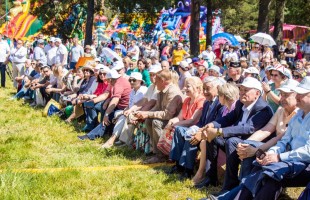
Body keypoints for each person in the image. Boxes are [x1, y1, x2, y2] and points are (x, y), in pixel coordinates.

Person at [236, 76, 310, 200]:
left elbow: (308, 152)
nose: (297, 97)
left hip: (304, 164)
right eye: (297, 93)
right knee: (261, 167)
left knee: (273, 173)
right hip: (291, 160)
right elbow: (284, 141)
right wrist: (270, 154)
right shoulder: (297, 116)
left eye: (301, 94)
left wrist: (279, 157)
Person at [201, 77, 273, 192]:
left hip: (256, 146)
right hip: (238, 141)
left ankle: (230, 186)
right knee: (214, 139)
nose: (242, 92)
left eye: (246, 90)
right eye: (241, 89)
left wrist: (220, 131)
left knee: (231, 141)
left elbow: (248, 128)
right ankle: (211, 177)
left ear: (257, 93)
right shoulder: (241, 103)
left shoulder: (263, 109)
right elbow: (229, 118)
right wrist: (212, 125)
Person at [169, 77, 225, 179]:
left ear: (217, 88)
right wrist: (195, 128)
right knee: (179, 130)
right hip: (202, 129)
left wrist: (199, 132)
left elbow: (217, 124)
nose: (205, 92)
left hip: (210, 134)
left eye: (208, 89)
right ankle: (178, 164)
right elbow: (201, 122)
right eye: (203, 89)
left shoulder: (220, 104)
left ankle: (188, 169)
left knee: (191, 136)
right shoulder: (207, 102)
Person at [193, 83, 239, 186]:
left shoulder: (235, 107)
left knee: (211, 138)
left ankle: (209, 176)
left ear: (224, 96)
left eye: (219, 96)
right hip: (224, 137)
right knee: (209, 137)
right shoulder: (225, 108)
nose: (218, 98)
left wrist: (214, 132)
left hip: (232, 139)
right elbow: (219, 122)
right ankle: (209, 177)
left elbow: (233, 128)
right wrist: (208, 128)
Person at [134, 69, 183, 164]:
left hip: (174, 121)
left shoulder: (173, 92)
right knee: (148, 120)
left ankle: (162, 154)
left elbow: (168, 114)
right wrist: (143, 114)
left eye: (156, 80)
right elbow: (157, 107)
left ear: (163, 81)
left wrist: (148, 113)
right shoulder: (161, 90)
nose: (154, 82)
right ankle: (157, 151)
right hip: (166, 119)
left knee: (156, 122)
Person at [78, 69, 131, 140]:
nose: (107, 82)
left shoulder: (118, 84)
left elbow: (115, 100)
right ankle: (97, 129)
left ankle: (91, 135)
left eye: (108, 80)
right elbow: (106, 94)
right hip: (118, 105)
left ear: (111, 79)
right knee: (101, 107)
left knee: (107, 118)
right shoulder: (115, 81)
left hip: (123, 108)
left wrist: (106, 114)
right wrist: (92, 101)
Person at [100, 72, 148, 148]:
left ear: (140, 81)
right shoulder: (132, 91)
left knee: (126, 117)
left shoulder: (143, 90)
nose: (131, 82)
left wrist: (129, 111)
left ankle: (115, 140)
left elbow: (142, 104)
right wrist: (126, 110)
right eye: (130, 80)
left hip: (141, 112)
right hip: (132, 111)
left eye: (134, 80)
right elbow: (130, 104)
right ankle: (119, 139)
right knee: (120, 115)